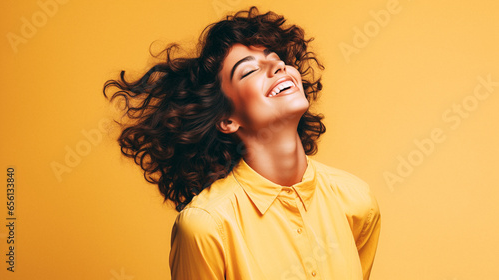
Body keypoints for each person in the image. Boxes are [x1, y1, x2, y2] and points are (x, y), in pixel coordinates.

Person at [104, 6, 380, 280]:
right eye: (249, 71)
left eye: (275, 58)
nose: (277, 65)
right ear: (227, 119)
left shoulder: (355, 201)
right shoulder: (205, 227)